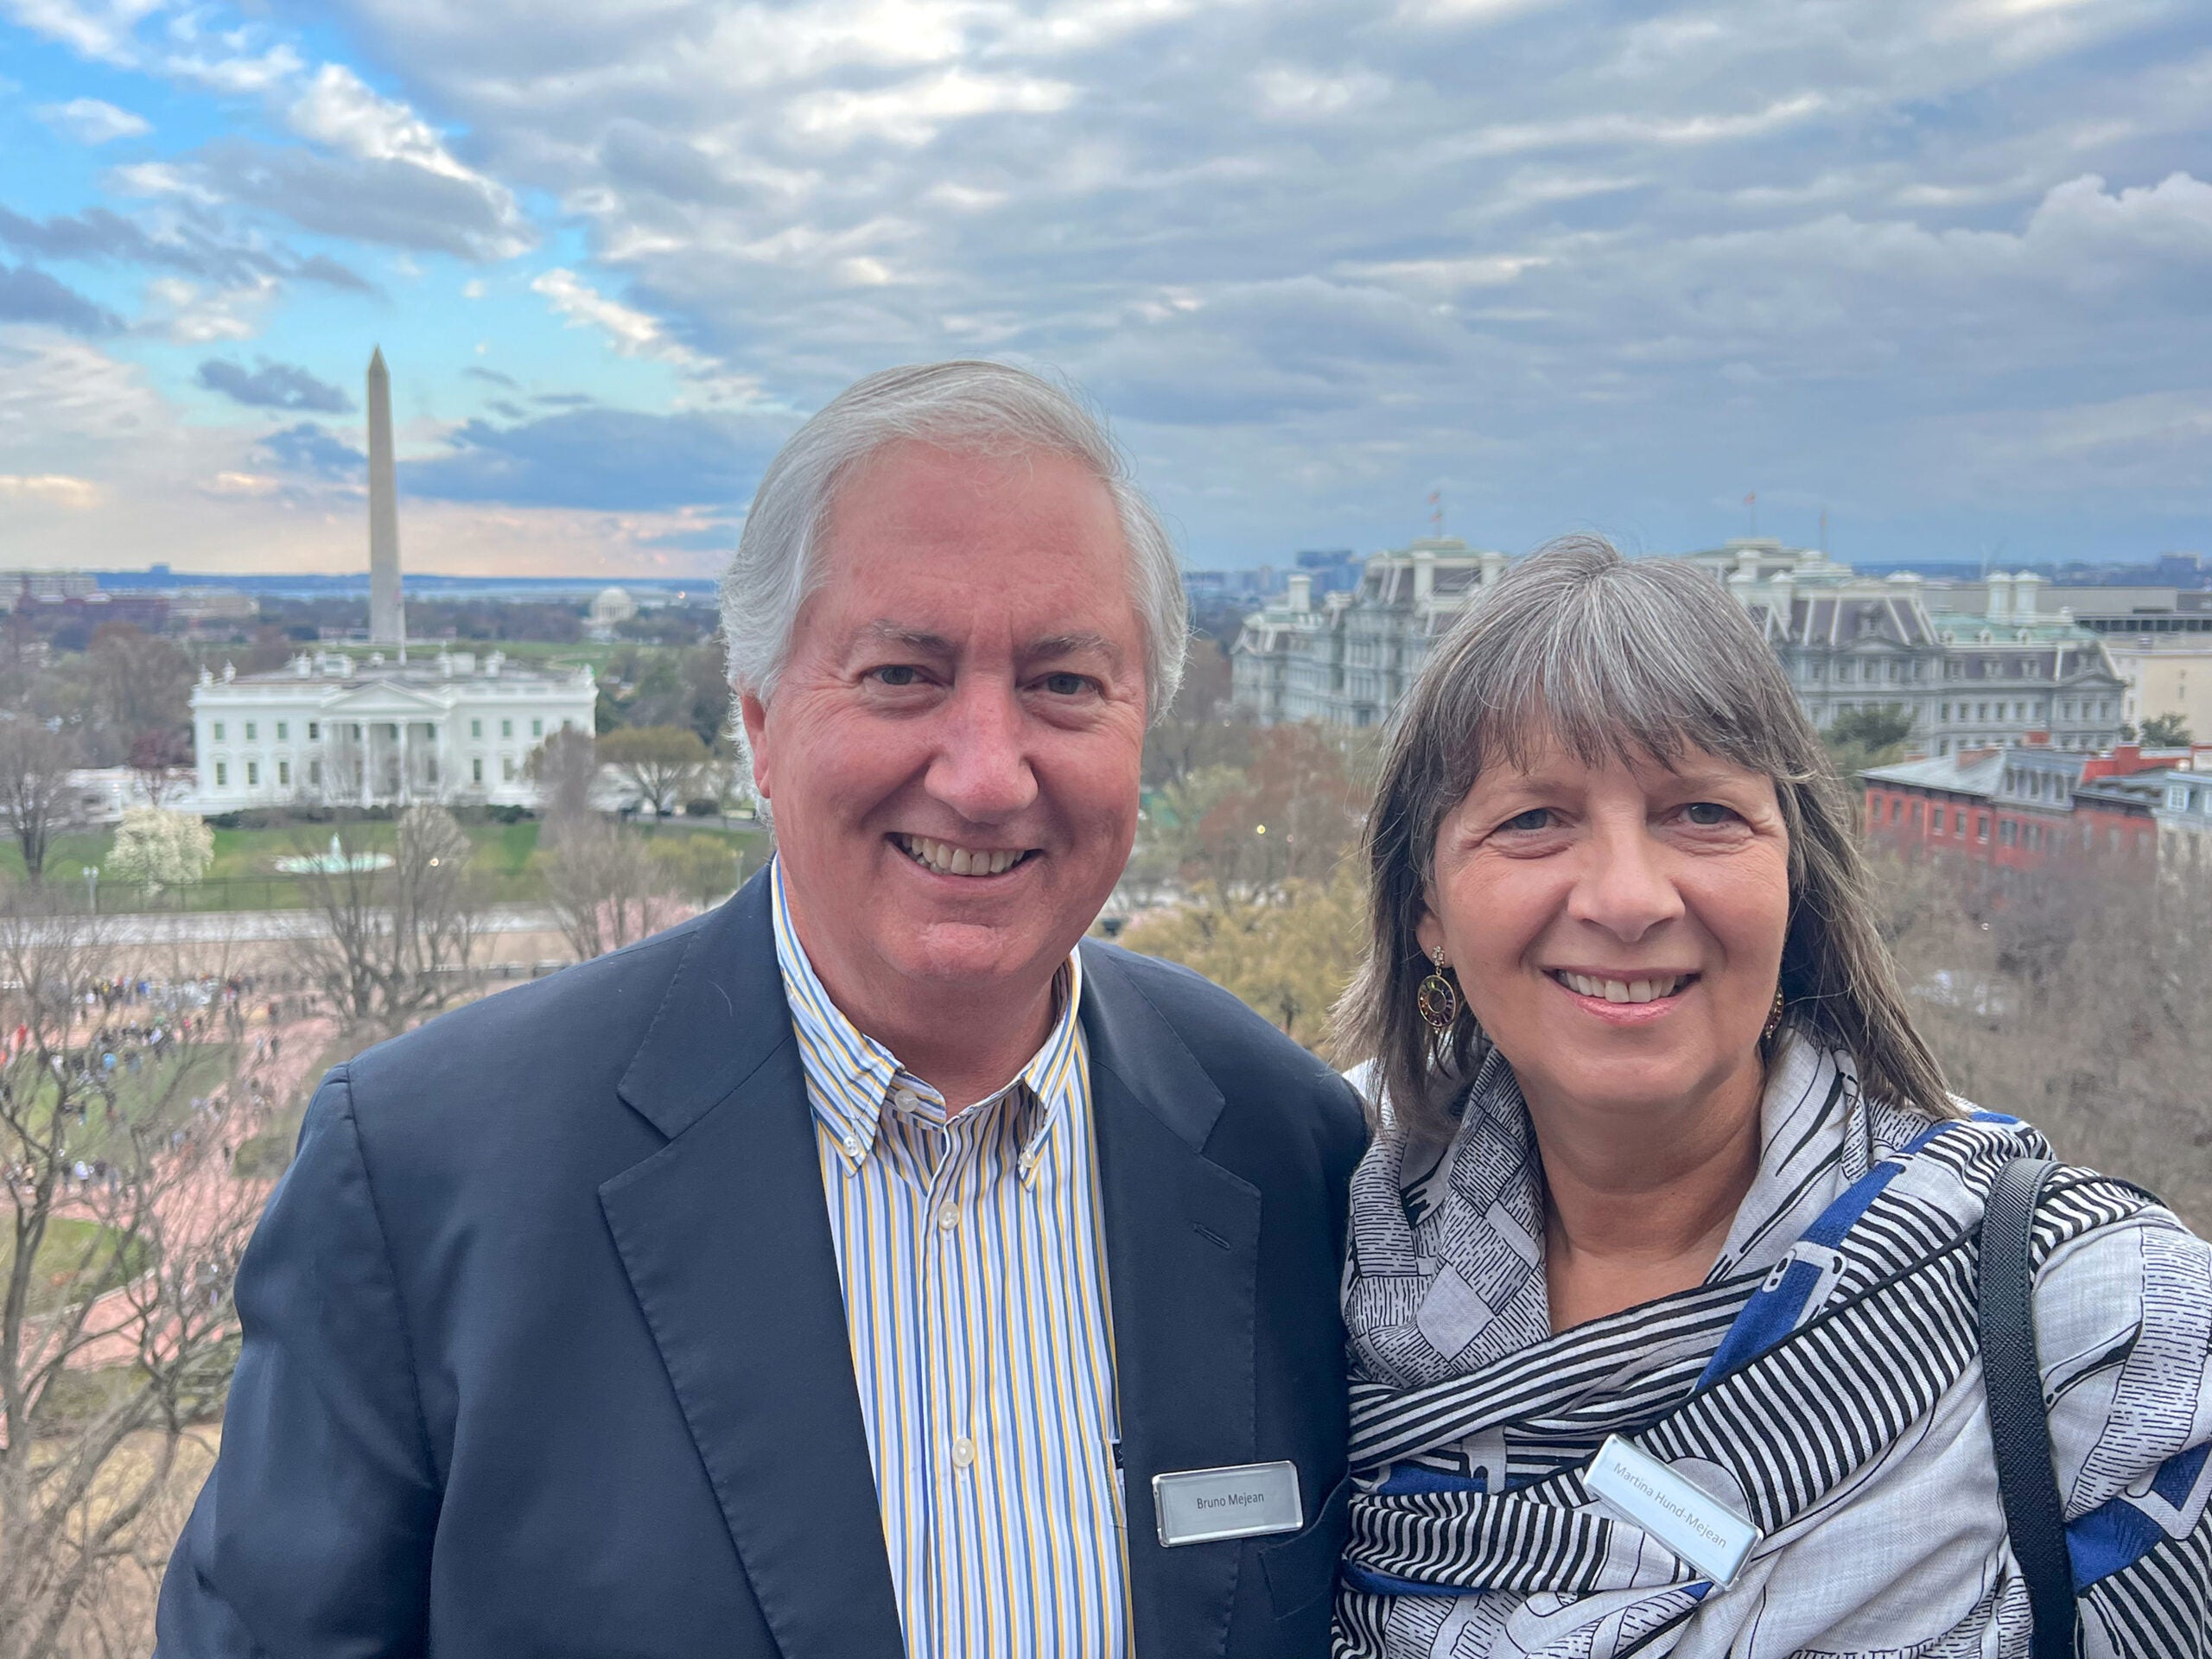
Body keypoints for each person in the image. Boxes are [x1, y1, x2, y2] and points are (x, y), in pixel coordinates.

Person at [157, 362, 1366, 1657]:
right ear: (758, 725)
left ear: (1145, 724)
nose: (982, 772)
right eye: (903, 673)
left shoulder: (1293, 1154)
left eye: (1065, 685)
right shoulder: (420, 1183)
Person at [1331, 538, 2212, 1657]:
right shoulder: (1303, 1249)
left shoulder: (2096, 1329)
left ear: (1795, 880)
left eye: (1700, 812)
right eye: (1534, 820)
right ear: (1427, 912)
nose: (1628, 897)